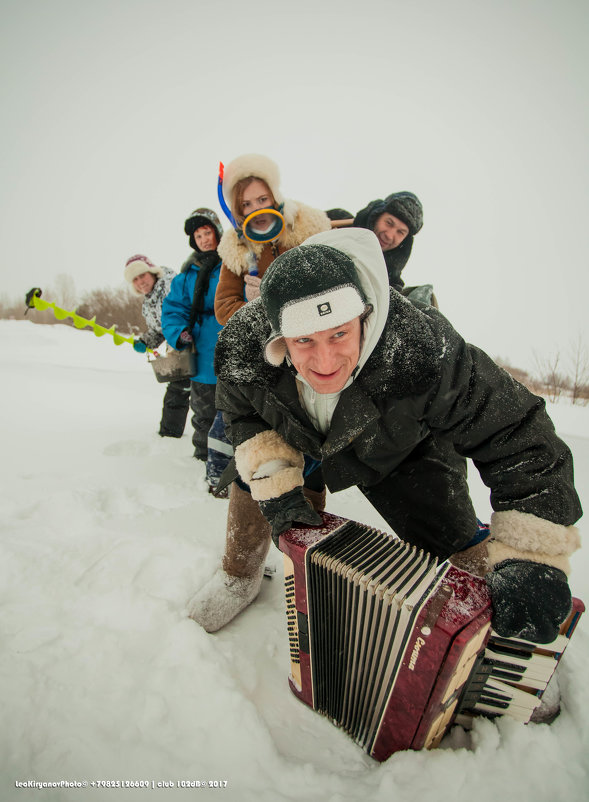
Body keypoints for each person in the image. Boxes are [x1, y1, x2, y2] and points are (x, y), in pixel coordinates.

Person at [188, 227, 582, 644]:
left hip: (397, 449)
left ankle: (499, 641)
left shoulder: (424, 349)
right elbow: (243, 412)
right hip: (298, 435)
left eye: (339, 333)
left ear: (365, 316)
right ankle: (238, 576)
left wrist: (532, 554)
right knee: (255, 485)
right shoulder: (243, 346)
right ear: (277, 336)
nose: (325, 361)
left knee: (461, 549)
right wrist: (272, 474)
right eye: (304, 340)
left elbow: (517, 431)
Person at [214, 153, 331, 325]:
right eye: (246, 204)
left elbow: (334, 276)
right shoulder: (235, 247)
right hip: (273, 341)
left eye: (262, 199)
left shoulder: (308, 225)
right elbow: (224, 307)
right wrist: (261, 309)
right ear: (238, 209)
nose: (256, 209)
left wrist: (290, 303)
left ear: (274, 197)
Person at [162, 208, 229, 493]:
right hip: (201, 354)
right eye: (198, 235)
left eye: (207, 233)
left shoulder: (233, 263)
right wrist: (179, 333)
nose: (203, 239)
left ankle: (231, 463)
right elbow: (172, 309)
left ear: (217, 233)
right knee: (203, 414)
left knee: (232, 413)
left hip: (230, 350)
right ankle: (203, 458)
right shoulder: (185, 275)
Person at [124, 254, 190, 438]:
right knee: (178, 390)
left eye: (142, 276)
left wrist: (184, 335)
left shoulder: (172, 285)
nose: (140, 282)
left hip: (195, 343)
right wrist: (146, 340)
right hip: (180, 351)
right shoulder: (149, 301)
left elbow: (185, 313)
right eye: (135, 280)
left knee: (202, 394)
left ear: (152, 272)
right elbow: (160, 329)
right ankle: (169, 437)